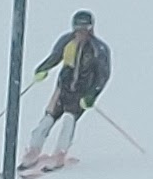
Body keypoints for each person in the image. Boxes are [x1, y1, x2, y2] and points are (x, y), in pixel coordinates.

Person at [28, 9, 111, 167]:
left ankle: (60, 153)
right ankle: (33, 150)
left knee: (68, 119)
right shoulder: (66, 41)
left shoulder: (98, 49)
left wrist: (92, 95)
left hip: (81, 93)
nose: (80, 34)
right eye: (77, 29)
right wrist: (42, 69)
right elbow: (55, 57)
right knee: (48, 119)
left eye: (84, 29)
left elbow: (103, 75)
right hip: (63, 88)